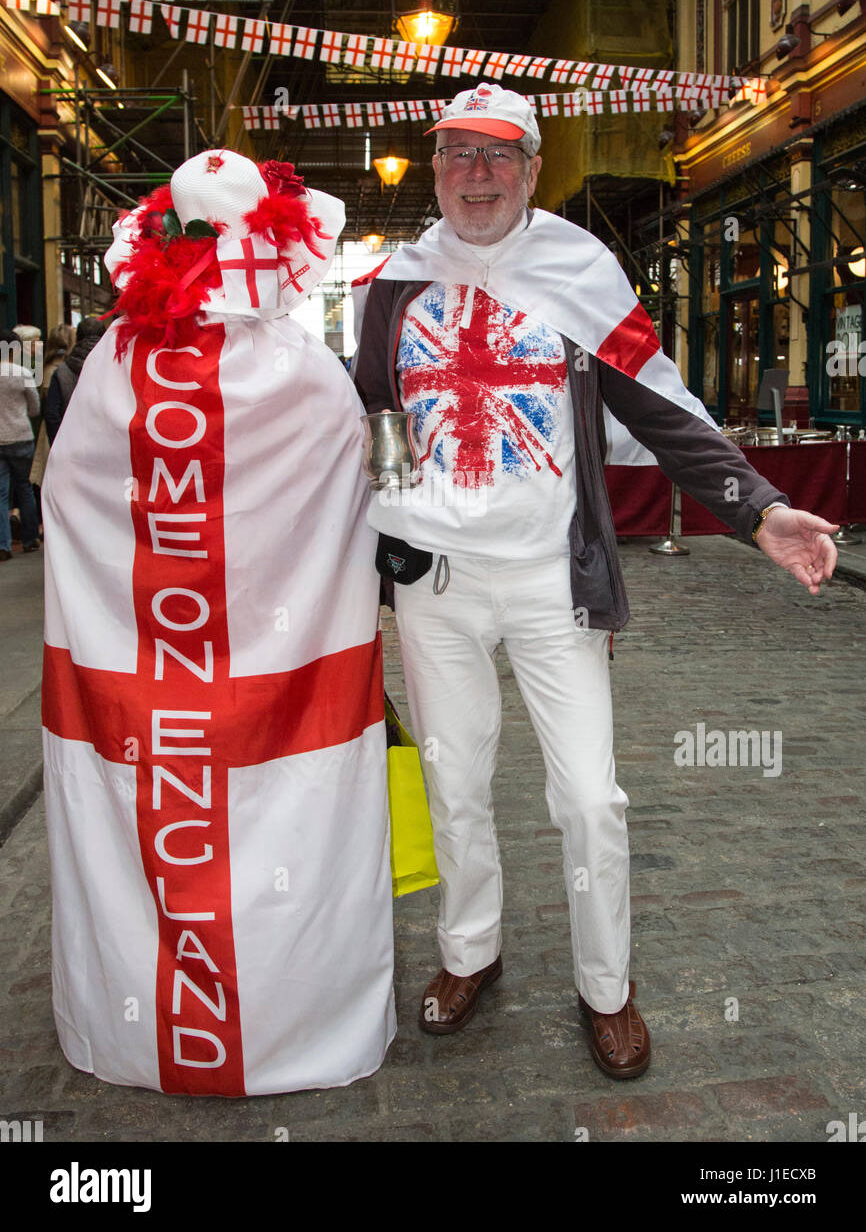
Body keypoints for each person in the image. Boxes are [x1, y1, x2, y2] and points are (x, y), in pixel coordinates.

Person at [352, 83, 838, 1080]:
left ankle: (605, 989)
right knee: (452, 782)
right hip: (436, 585)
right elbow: (373, 414)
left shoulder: (578, 269)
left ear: (531, 169)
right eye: (456, 155)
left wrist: (756, 509)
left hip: (545, 580)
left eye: (496, 158)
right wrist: (384, 528)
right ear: (434, 166)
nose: (474, 177)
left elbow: (657, 408)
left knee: (589, 798)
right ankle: (467, 952)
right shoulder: (392, 285)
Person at [42, 150, 394, 1095]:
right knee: (286, 834)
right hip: (279, 690)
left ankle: (148, 1020)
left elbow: (69, 497)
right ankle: (295, 1021)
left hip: (146, 690)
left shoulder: (117, 360)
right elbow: (349, 489)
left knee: (151, 829)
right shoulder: (303, 368)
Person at [0, 326, 41, 561]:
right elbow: (35, 407)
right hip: (22, 435)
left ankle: (3, 544)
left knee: (1, 493)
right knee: (25, 488)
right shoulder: (23, 373)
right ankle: (29, 539)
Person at [44, 316, 106, 444]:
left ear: (76, 339)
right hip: (106, 445)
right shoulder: (115, 367)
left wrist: (59, 446)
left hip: (71, 443)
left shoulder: (61, 371)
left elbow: (52, 414)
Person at [29, 323, 75, 494]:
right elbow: (50, 411)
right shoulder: (57, 371)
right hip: (56, 432)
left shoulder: (46, 368)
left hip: (50, 431)